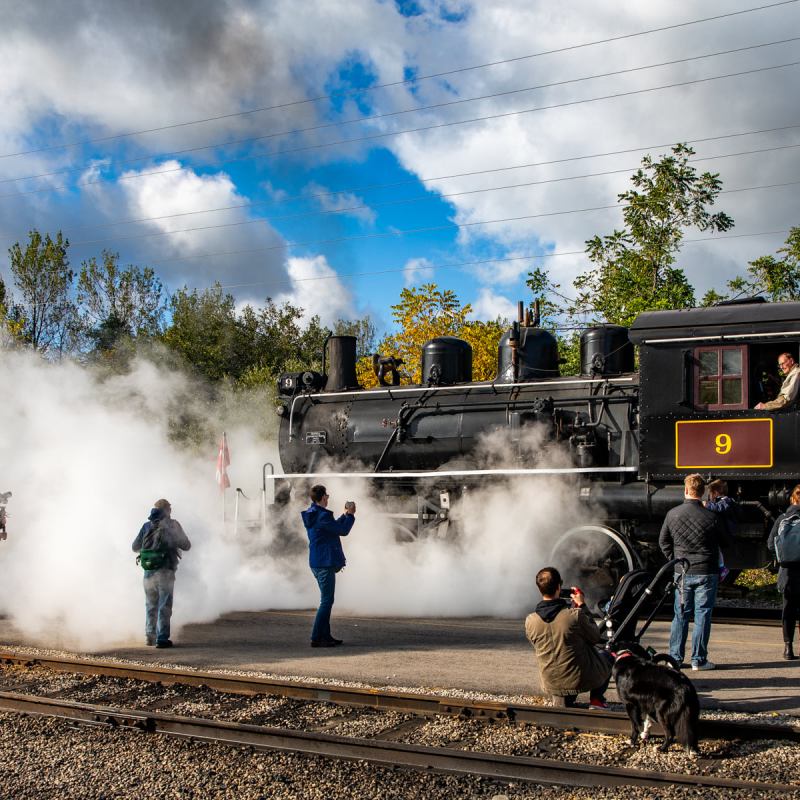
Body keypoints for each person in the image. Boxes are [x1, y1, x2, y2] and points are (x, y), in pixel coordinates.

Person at [659, 474, 730, 671]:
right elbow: (726, 542)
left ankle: (675, 659)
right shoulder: (712, 517)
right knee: (703, 615)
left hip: (682, 572)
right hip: (707, 571)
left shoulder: (672, 514)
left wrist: (675, 559)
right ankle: (699, 659)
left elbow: (663, 541)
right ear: (703, 492)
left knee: (680, 615)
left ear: (686, 490)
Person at [524, 566, 612, 709]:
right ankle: (597, 700)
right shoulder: (575, 616)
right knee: (608, 655)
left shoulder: (530, 620)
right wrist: (582, 606)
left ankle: (562, 701)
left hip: (551, 682)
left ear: (539, 589)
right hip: (578, 679)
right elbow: (595, 636)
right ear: (559, 587)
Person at [132, 498, 191, 648]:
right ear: (168, 510)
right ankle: (162, 638)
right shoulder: (173, 525)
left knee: (150, 604)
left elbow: (135, 546)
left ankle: (149, 636)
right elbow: (186, 545)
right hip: (166, 570)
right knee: (164, 604)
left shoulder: (147, 525)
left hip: (148, 571)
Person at [301, 485, 356, 648]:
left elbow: (333, 529)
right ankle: (317, 637)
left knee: (326, 600)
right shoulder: (322, 516)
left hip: (318, 562)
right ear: (323, 497)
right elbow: (342, 530)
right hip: (324, 563)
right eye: (327, 495)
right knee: (326, 601)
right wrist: (351, 516)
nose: (328, 497)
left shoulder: (315, 514)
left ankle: (325, 636)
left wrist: (345, 515)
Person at [767, 484, 800, 661]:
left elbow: (771, 544)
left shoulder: (783, 518)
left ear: (792, 499)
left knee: (788, 609)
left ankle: (788, 648)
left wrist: (781, 557)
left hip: (787, 572)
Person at [705, 479, 736, 582]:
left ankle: (722, 568)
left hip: (726, 531)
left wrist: (707, 505)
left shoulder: (727, 501)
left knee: (717, 548)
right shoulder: (721, 500)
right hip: (721, 531)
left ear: (716, 492)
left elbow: (721, 508)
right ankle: (720, 567)